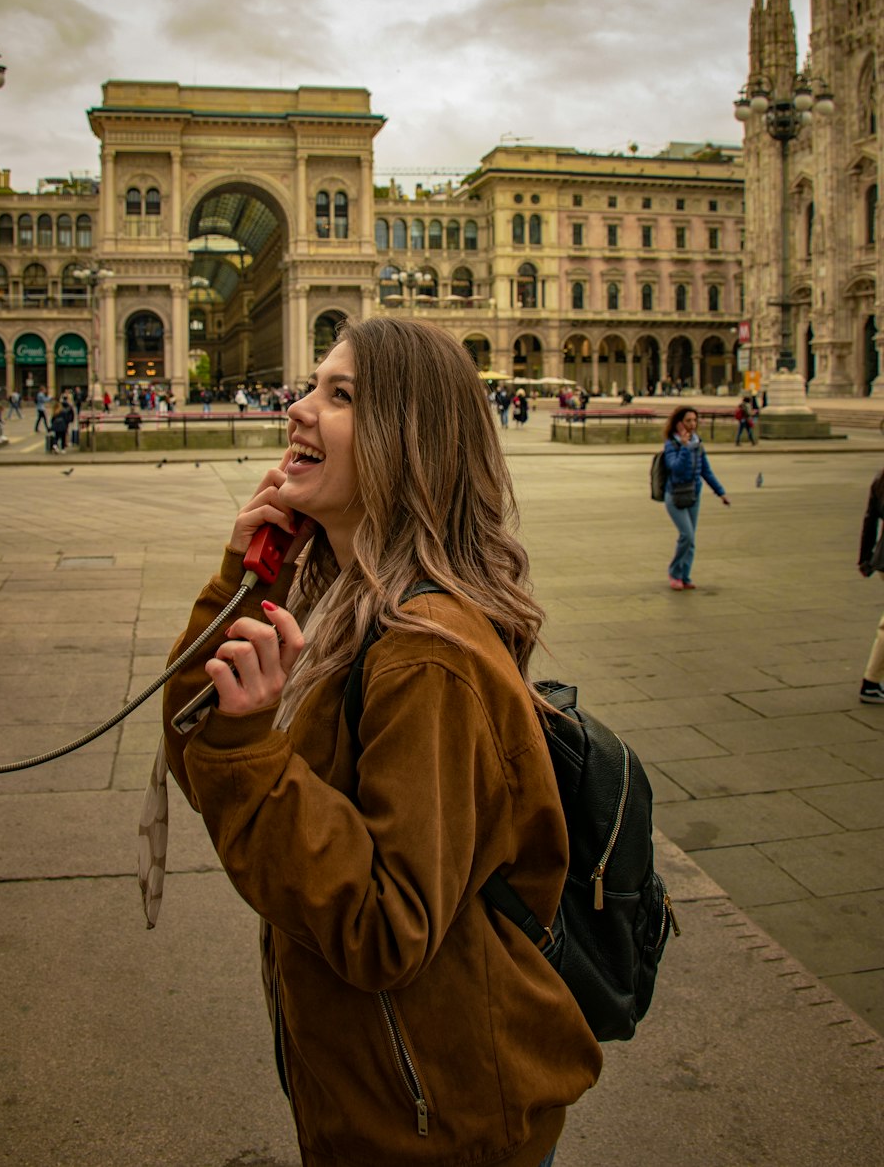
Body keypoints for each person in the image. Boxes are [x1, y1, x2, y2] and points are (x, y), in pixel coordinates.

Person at [163, 318, 601, 1166]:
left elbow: (384, 928)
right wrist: (243, 578)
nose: (296, 409)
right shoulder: (341, 603)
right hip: (381, 1088)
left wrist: (254, 755)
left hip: (439, 1120)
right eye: (311, 385)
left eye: (340, 395)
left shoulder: (424, 653)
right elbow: (201, 752)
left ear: (408, 440)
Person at [662, 405, 730, 589]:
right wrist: (684, 448)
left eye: (694, 420)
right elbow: (674, 468)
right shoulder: (671, 444)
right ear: (679, 424)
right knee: (687, 534)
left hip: (693, 494)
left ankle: (685, 575)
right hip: (674, 495)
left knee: (691, 539)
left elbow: (706, 471)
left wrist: (720, 492)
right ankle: (674, 572)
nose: (692, 425)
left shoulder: (698, 444)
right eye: (688, 421)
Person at [855, 466, 884, 703]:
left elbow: (870, 518)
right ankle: (871, 682)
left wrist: (865, 558)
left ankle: (872, 681)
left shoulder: (881, 477)